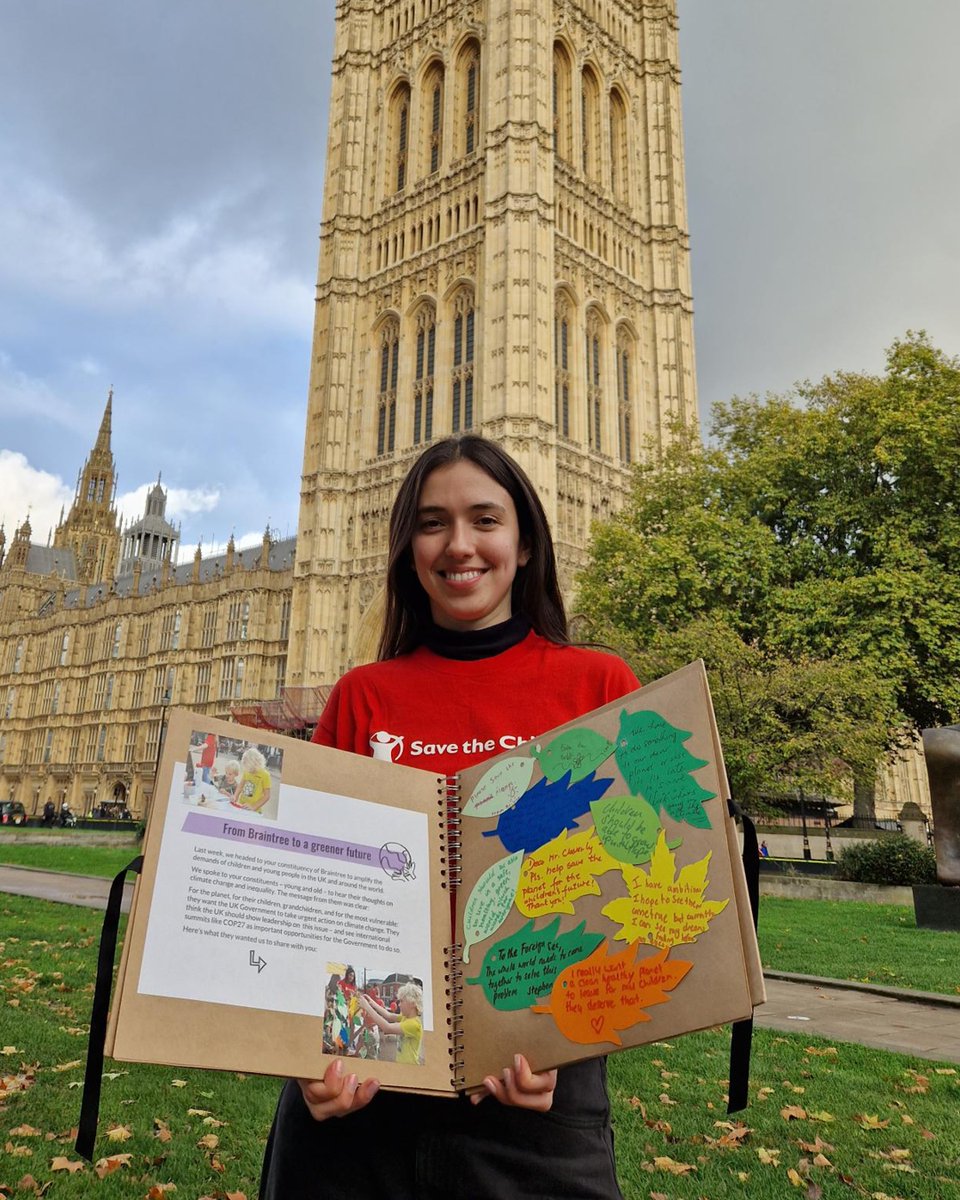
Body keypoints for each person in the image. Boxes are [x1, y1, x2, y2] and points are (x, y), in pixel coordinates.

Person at [259, 435, 640, 1200]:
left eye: (484, 520)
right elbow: (307, 906)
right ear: (406, 549)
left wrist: (564, 1039)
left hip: (536, 1101)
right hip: (360, 1107)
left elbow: (635, 901)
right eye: (432, 523)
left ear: (526, 542)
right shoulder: (362, 696)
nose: (459, 544)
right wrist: (307, 1058)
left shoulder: (599, 686)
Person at [358, 983, 423, 1065]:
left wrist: (367, 1007)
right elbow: (388, 1015)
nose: (399, 1005)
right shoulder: (406, 1017)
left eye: (402, 1001)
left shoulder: (414, 1024)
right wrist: (372, 1003)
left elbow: (387, 1028)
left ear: (412, 1003)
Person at [230, 747, 272, 813]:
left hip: (254, 810)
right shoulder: (247, 770)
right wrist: (235, 796)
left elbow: (267, 796)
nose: (249, 771)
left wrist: (253, 806)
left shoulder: (265, 775)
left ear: (257, 763)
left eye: (251, 769)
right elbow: (240, 786)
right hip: (241, 805)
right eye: (247, 768)